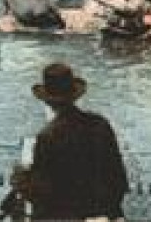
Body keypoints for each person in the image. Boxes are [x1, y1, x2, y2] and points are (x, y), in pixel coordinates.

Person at [23, 64, 128, 221]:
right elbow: (118, 178)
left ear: (47, 102)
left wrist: (24, 182)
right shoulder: (100, 124)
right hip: (107, 211)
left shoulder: (47, 137)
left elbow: (43, 195)